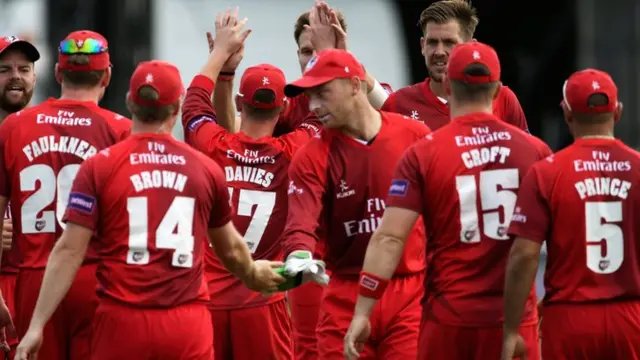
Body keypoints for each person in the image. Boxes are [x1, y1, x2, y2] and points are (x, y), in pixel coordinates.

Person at [14, 57, 286, 360]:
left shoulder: (101, 166)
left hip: (122, 320)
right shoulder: (205, 169)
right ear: (177, 105)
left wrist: (36, 325)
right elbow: (232, 251)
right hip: (185, 323)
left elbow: (69, 251)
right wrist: (251, 273)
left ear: (130, 102)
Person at [344, 42, 551, 360]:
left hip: (449, 319)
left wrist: (363, 310)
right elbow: (563, 239)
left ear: (449, 87)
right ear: (497, 91)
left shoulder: (423, 153)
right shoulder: (536, 152)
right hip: (514, 321)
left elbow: (389, 237)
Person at [181, 10, 321, 360]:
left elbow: (194, 102)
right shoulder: (296, 150)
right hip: (262, 302)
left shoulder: (212, 145)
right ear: (285, 108)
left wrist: (220, 60)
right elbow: (324, 110)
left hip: (207, 301)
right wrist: (326, 51)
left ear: (241, 104)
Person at [281, 47, 430, 359]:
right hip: (345, 293)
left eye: (323, 93)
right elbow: (301, 222)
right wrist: (298, 255)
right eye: (310, 97)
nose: (315, 106)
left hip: (409, 292)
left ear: (354, 84)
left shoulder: (414, 135)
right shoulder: (311, 156)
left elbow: (443, 212)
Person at [0, 30, 130, 360]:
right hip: (95, 277)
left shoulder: (14, 127)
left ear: (57, 73)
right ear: (108, 75)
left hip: (32, 281)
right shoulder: (120, 130)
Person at [503, 69, 640, 360]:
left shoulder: (547, 173)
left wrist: (511, 330)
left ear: (566, 114)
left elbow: (524, 256)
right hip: (632, 317)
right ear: (618, 112)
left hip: (569, 318)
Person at [381, 0, 528, 132]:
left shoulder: (504, 99)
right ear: (422, 46)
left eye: (449, 43)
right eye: (432, 42)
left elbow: (524, 154)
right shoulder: (398, 103)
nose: (439, 52)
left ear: (471, 46)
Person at [0, 35, 40, 359]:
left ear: (35, 77)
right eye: (4, 69)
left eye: (23, 69)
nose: (15, 75)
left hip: (31, 283)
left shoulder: (45, 135)